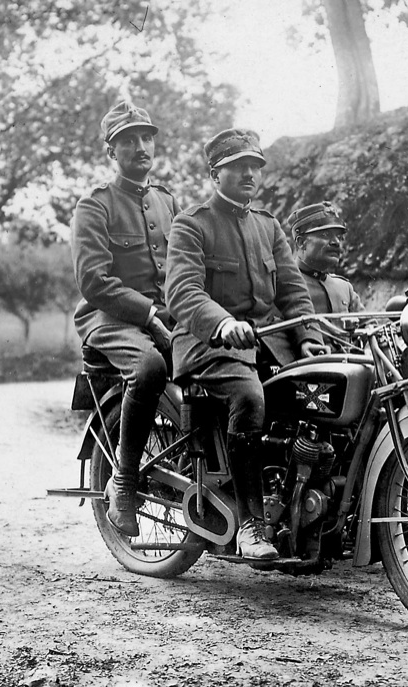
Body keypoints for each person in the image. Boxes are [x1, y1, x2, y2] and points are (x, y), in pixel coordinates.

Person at [166, 128, 328, 560]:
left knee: (324, 396)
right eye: (238, 167)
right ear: (215, 173)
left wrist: (309, 339)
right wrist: (222, 323)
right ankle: (251, 526)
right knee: (249, 396)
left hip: (267, 344)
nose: (249, 174)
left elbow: (295, 293)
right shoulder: (192, 224)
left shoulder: (268, 226)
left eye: (255, 166)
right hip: (208, 345)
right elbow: (182, 292)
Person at [70, 101, 180, 537]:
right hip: (110, 318)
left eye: (146, 137)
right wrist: (150, 314)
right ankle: (125, 484)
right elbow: (94, 282)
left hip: (165, 314)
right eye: (128, 140)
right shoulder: (94, 205)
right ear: (110, 152)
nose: (140, 147)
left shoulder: (166, 200)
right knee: (149, 367)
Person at [286, 201, 364, 315]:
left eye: (339, 236)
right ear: (301, 242)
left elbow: (369, 325)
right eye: (325, 235)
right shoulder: (283, 286)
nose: (336, 242)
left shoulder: (345, 288)